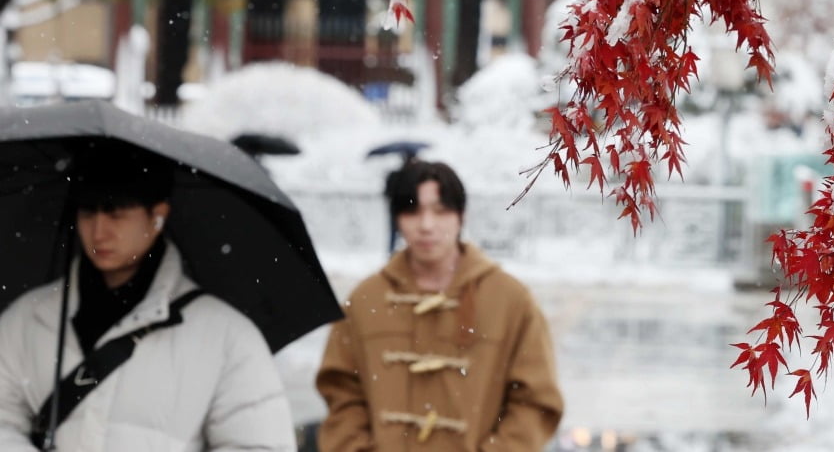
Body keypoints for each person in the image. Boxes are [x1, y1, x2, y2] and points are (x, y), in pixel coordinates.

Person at [0, 163, 297, 451]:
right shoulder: (25, 320)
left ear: (157, 216)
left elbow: (259, 444)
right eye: (88, 212)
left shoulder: (226, 336)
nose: (99, 231)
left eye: (116, 214)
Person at [316, 159, 563, 451]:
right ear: (397, 218)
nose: (426, 225)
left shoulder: (510, 300)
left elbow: (534, 401)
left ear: (461, 216)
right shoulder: (365, 301)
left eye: (441, 210)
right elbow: (342, 394)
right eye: (413, 211)